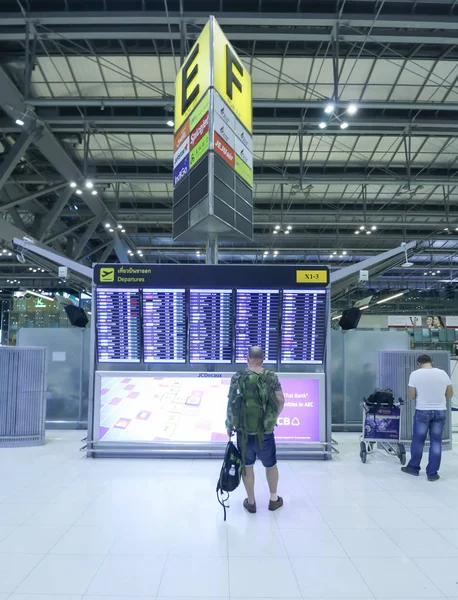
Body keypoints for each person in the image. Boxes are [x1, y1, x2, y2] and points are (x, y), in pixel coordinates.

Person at [226, 346, 285, 513]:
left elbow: (231, 404)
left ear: (247, 358)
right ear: (263, 358)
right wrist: (273, 418)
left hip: (244, 432)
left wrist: (229, 425)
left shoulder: (238, 376)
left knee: (247, 466)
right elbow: (280, 400)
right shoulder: (271, 376)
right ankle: (273, 499)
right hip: (265, 432)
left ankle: (251, 502)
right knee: (271, 465)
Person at [401, 354, 453, 481]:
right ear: (432, 362)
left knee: (418, 440)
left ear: (418, 363)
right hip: (440, 411)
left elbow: (412, 396)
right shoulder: (443, 373)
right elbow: (450, 394)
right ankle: (432, 473)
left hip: (423, 411)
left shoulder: (415, 374)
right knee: (436, 441)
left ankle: (413, 468)